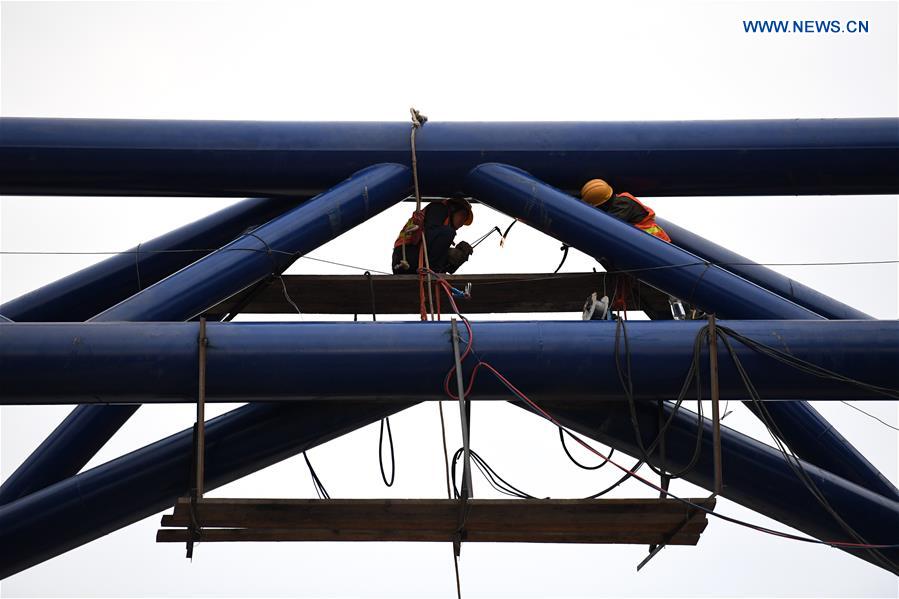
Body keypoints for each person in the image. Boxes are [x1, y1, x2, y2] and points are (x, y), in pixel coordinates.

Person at [580, 179, 689, 319]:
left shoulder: (623, 204)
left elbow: (609, 226)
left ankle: (683, 309)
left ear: (602, 204)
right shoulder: (618, 203)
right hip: (647, 247)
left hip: (656, 245)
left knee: (671, 285)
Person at [392, 197, 475, 274]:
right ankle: (435, 273)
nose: (462, 222)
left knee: (457, 250)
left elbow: (443, 261)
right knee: (448, 233)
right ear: (453, 209)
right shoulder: (439, 209)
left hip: (412, 261)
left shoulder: (443, 226)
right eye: (462, 215)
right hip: (405, 257)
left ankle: (436, 273)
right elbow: (428, 238)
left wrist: (461, 256)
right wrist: (448, 253)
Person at [580, 179, 671, 242]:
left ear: (604, 204)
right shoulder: (622, 200)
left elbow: (610, 224)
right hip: (650, 240)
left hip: (655, 241)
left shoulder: (623, 204)